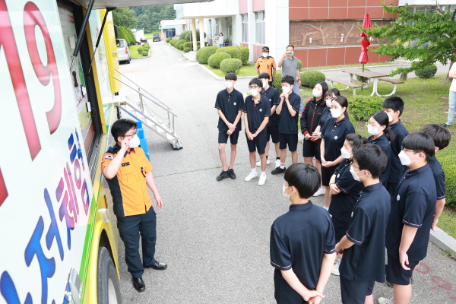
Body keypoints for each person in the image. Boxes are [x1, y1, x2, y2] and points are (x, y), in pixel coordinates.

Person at [101, 119, 167, 293]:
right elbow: (108, 173)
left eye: (135, 134)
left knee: (150, 237)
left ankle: (149, 260)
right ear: (120, 138)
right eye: (131, 135)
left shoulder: (137, 151)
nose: (135, 138)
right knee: (131, 246)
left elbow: (147, 172)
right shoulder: (110, 156)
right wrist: (122, 150)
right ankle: (136, 274)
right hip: (127, 213)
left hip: (146, 207)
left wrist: (156, 193)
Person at [380, 132, 437, 304]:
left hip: (406, 244)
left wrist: (403, 250)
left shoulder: (418, 188)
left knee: (401, 280)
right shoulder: (415, 170)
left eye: (406, 150)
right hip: (406, 240)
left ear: (421, 155)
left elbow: (411, 225)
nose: (401, 153)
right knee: (400, 278)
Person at [270, 163, 336, 304]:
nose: (284, 185)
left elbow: (286, 270)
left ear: (292, 189)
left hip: (289, 293)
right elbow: (330, 256)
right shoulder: (324, 215)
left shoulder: (280, 225)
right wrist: (318, 292)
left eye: (285, 182)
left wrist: (305, 293)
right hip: (314, 284)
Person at [336, 144, 391, 304]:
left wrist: (338, 247)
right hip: (372, 258)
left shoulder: (365, 205)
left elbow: (352, 239)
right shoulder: (384, 194)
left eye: (354, 165)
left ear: (365, 172)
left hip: (356, 265)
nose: (351, 168)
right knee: (367, 294)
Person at [328, 134, 367, 276]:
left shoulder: (354, 169)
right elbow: (335, 173)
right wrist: (332, 183)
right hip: (339, 206)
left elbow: (338, 188)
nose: (342, 149)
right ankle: (335, 258)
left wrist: (333, 184)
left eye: (346, 147)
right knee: (336, 233)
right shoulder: (347, 161)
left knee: (340, 235)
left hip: (345, 208)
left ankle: (343, 264)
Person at [320, 96, 355, 211]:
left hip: (339, 164)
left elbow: (349, 151)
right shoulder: (330, 120)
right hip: (326, 161)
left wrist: (333, 162)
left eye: (336, 107)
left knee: (334, 188)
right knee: (326, 186)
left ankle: (332, 212)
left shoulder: (348, 127)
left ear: (344, 108)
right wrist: (322, 157)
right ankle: (326, 208)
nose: (332, 109)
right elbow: (323, 139)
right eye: (331, 107)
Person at [420, 124, 451, 231]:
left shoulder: (436, 172)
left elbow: (441, 200)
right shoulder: (414, 156)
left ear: (435, 149)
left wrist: (435, 219)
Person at [300, 81, 329, 197]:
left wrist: (318, 135)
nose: (316, 89)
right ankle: (310, 181)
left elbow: (326, 123)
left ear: (324, 91)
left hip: (319, 140)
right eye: (315, 87)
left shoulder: (326, 106)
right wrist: (305, 132)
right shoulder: (309, 102)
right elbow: (303, 118)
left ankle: (320, 185)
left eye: (319, 88)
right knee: (307, 159)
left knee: (318, 162)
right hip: (308, 137)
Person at [214, 73, 244, 181]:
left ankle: (231, 169)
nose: (228, 82)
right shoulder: (220, 94)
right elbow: (219, 110)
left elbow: (240, 112)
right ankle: (225, 170)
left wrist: (233, 126)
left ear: (235, 82)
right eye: (226, 80)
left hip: (235, 126)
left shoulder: (239, 95)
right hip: (223, 125)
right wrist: (228, 124)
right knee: (221, 147)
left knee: (233, 146)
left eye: (230, 80)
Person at [272, 75, 301, 175]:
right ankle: (282, 166)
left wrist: (287, 100)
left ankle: (294, 170)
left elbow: (293, 113)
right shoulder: (281, 97)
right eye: (283, 85)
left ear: (291, 86)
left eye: (286, 85)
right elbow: (277, 111)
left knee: (293, 150)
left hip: (292, 129)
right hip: (282, 128)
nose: (284, 87)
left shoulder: (296, 97)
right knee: (282, 148)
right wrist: (282, 100)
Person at [244, 78, 271, 185]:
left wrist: (255, 133)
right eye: (250, 87)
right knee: (251, 152)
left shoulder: (265, 101)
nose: (252, 89)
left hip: (261, 133)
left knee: (262, 153)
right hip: (249, 132)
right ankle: (253, 172)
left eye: (254, 87)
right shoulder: (247, 100)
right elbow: (245, 115)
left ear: (260, 88)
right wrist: (247, 131)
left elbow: (266, 119)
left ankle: (263, 174)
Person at [383, 97, 409, 201]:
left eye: (388, 111)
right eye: (384, 110)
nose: (385, 113)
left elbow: (405, 156)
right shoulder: (385, 126)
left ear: (397, 112)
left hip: (393, 175)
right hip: (384, 171)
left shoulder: (401, 132)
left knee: (390, 202)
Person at [256, 72, 281, 168]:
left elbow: (275, 105)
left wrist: (267, 115)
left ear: (268, 80)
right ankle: (265, 159)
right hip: (263, 122)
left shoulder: (274, 91)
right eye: (260, 80)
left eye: (262, 80)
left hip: (273, 121)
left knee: (276, 141)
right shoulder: (260, 92)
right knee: (265, 141)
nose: (261, 82)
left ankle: (278, 159)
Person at [367, 111, 394, 187]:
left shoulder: (383, 146)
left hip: (375, 182)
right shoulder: (370, 138)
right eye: (369, 123)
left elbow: (380, 169)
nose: (370, 126)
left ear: (383, 127)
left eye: (373, 124)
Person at [277, 44, 303, 115]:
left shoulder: (296, 59)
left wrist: (299, 79)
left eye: (291, 50)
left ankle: (301, 112)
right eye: (288, 50)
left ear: (293, 51)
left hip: (294, 82)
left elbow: (297, 69)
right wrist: (282, 56)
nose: (289, 51)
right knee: (285, 96)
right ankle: (285, 110)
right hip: (286, 84)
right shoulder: (284, 59)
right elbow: (278, 65)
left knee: (298, 96)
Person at [441, 61, 456, 128]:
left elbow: (454, 75)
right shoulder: (455, 64)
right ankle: (449, 122)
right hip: (453, 89)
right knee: (451, 106)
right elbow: (450, 75)